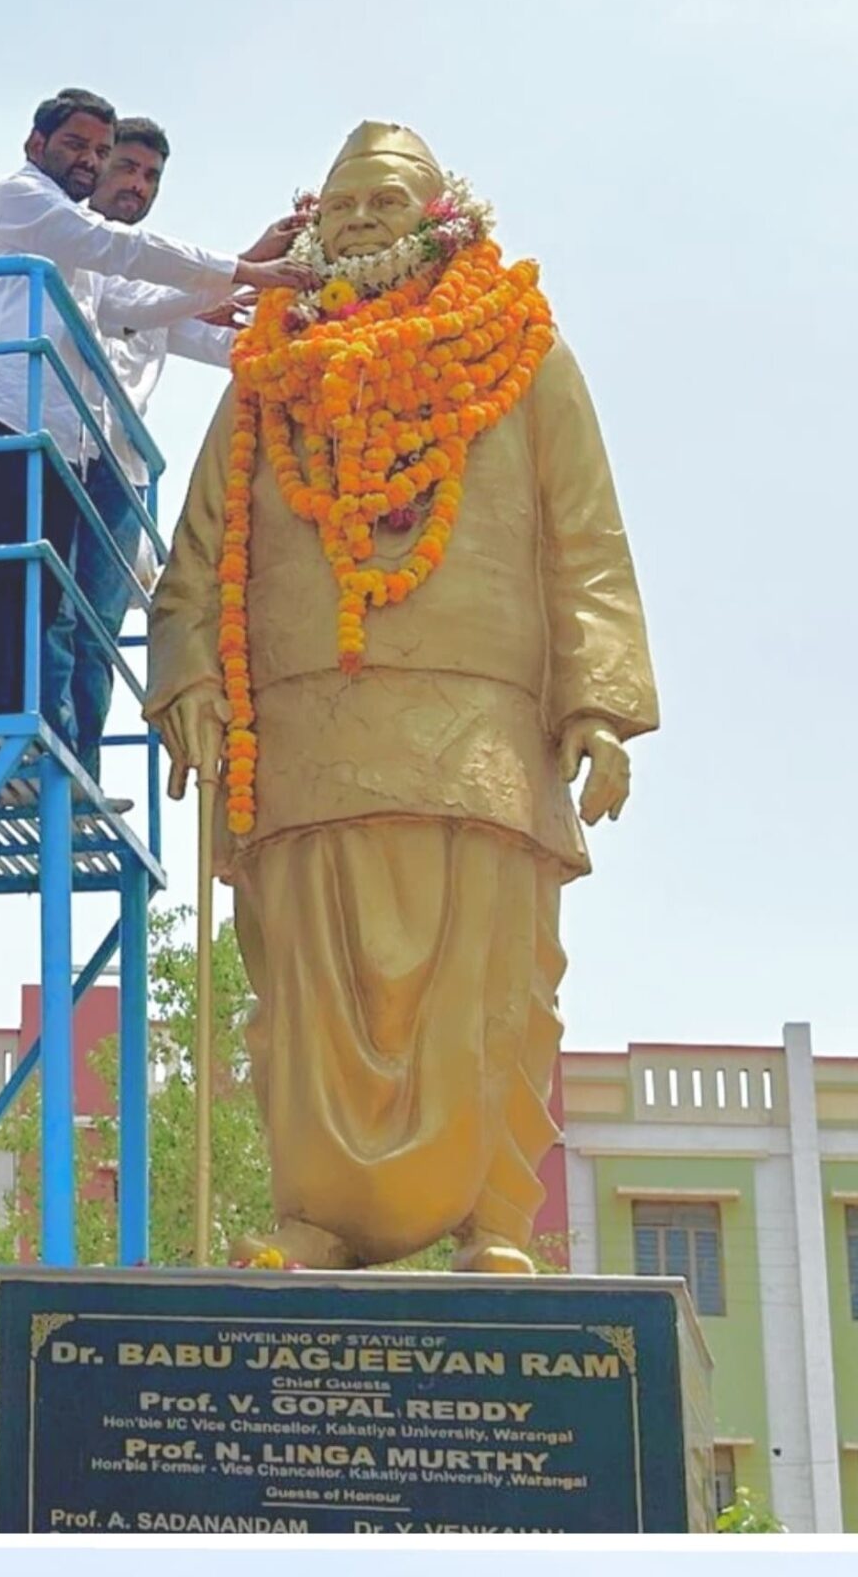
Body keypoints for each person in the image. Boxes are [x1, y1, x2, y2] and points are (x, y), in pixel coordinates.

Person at [149, 122, 655, 1274]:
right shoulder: (269, 384)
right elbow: (196, 558)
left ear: (442, 219)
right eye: (341, 206)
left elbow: (584, 535)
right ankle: (315, 1217)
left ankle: (491, 1222)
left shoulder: (523, 360)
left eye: (383, 200)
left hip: (478, 728)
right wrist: (184, 675)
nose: (360, 221)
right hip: (302, 729)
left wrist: (601, 703)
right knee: (303, 990)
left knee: (485, 981)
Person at [0, 90, 308, 719]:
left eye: (101, 151)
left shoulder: (77, 242)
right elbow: (121, 253)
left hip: (61, 441)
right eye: (77, 145)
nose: (90, 161)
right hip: (3, 418)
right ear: (35, 145)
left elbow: (132, 308)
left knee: (42, 604)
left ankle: (17, 747)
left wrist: (270, 304)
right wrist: (250, 266)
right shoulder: (22, 200)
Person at [44, 117, 287, 779]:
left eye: (150, 177)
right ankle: (47, 766)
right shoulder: (78, 254)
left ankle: (79, 768)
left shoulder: (162, 279)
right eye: (124, 167)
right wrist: (258, 268)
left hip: (121, 470)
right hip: (65, 453)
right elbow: (149, 298)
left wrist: (319, 303)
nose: (136, 185)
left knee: (99, 624)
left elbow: (230, 346)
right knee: (56, 615)